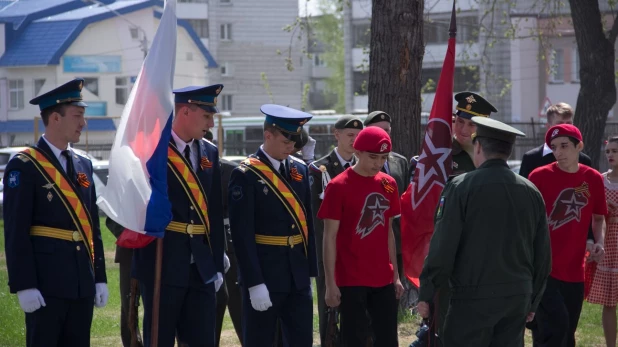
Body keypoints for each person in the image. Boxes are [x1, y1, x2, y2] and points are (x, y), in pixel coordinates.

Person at [417, 116, 551, 347]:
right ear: (508, 151)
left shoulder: (461, 187)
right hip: (516, 295)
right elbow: (543, 255)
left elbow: (443, 247)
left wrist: (427, 292)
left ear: (478, 146)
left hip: (472, 296)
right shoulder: (531, 191)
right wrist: (533, 299)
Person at [3, 78, 108, 346]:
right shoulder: (25, 165)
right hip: (46, 284)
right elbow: (16, 231)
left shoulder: (83, 163)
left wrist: (99, 278)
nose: (83, 123)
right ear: (55, 118)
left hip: (81, 284)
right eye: (77, 116)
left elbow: (91, 226)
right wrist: (24, 284)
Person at [133, 85, 226, 347]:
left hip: (201, 266)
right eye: (206, 116)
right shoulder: (153, 149)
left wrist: (217, 262)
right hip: (163, 261)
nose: (210, 123)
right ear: (185, 111)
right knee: (159, 339)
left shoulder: (209, 152)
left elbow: (214, 212)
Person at [228, 104, 317, 347]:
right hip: (265, 274)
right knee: (261, 340)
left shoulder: (299, 170)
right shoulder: (246, 174)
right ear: (268, 135)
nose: (292, 146)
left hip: (296, 275)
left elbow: (307, 223)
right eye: (287, 140)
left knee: (301, 341)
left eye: (295, 141)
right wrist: (254, 282)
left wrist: (309, 271)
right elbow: (242, 234)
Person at [318, 126, 405, 346]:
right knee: (354, 339)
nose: (378, 163)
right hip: (351, 278)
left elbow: (388, 233)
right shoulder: (338, 186)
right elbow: (329, 237)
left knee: (387, 340)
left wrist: (395, 275)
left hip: (382, 278)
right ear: (357, 152)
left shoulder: (388, 184)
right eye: (373, 157)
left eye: (383, 157)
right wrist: (330, 284)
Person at [528, 123, 607, 347]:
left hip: (575, 270)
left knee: (568, 332)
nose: (558, 152)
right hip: (544, 268)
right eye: (554, 147)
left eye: (564, 146)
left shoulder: (592, 179)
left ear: (579, 146)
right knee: (555, 327)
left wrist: (598, 242)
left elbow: (599, 217)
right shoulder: (538, 176)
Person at [309, 115, 363, 345]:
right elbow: (314, 214)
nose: (354, 140)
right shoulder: (318, 169)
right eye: (350, 135)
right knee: (329, 312)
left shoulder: (364, 168)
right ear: (336, 134)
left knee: (358, 314)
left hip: (357, 252)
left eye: (358, 136)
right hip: (328, 251)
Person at [363, 111, 409, 303]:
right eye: (380, 130)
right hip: (371, 234)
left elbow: (405, 197)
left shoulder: (400, 161)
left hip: (397, 237)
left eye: (387, 130)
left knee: (395, 289)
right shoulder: (363, 163)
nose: (385, 134)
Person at [587, 136, 618, 347]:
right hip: (610, 243)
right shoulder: (600, 179)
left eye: (615, 151)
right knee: (609, 303)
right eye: (608, 151)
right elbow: (590, 211)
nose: (610, 155)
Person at [519, 102, 592, 179]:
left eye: (569, 123)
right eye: (560, 124)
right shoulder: (531, 158)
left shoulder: (583, 160)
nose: (565, 128)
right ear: (548, 126)